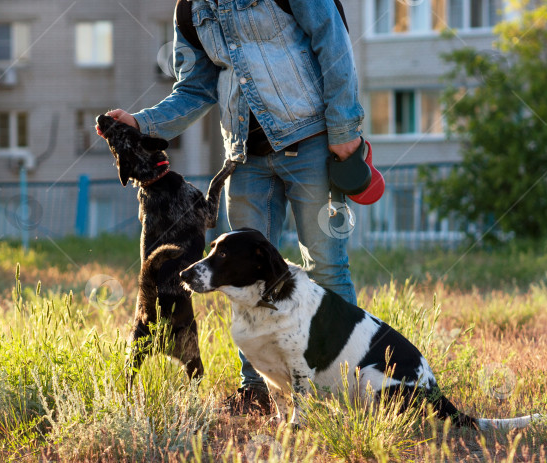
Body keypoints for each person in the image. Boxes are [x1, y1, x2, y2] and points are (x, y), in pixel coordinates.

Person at [96, 0, 363, 414]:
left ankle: (345, 388)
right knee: (241, 277)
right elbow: (195, 89)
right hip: (245, 159)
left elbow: (333, 43)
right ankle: (255, 389)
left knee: (326, 268)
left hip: (312, 141)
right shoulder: (191, 10)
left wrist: (345, 124)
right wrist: (142, 123)